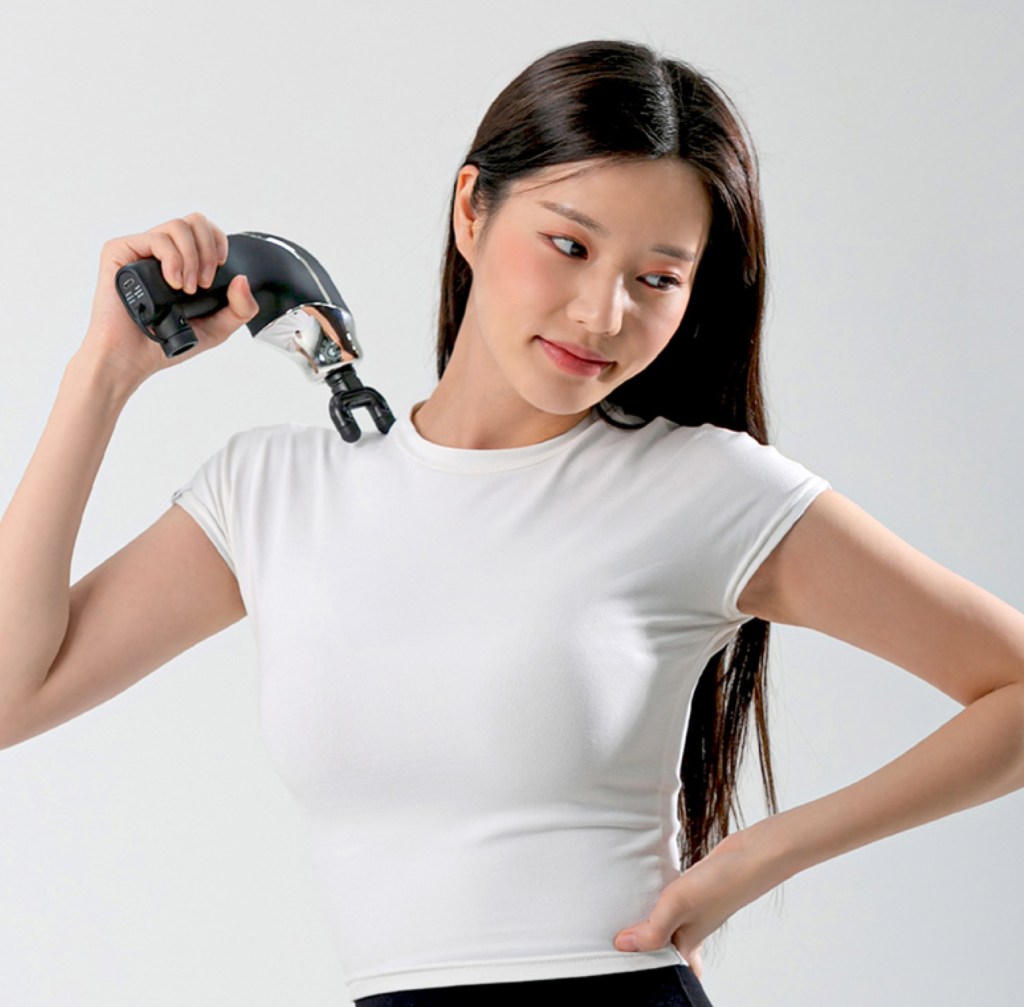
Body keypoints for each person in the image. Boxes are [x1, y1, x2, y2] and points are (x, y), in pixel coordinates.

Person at [2, 37, 1023, 1007]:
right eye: (569, 244)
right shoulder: (272, 489)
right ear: (471, 210)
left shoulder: (703, 487)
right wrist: (102, 374)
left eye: (657, 279)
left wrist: (759, 855)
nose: (601, 313)